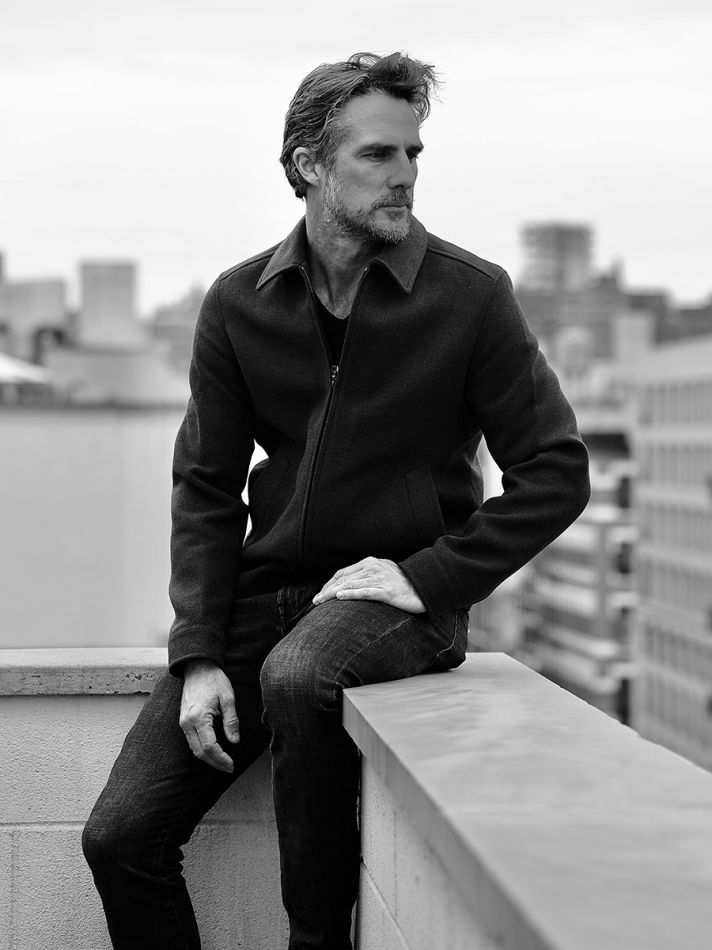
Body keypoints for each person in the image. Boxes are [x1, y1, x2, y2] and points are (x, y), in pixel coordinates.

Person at [82, 51, 590, 950]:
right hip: (263, 599)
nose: (405, 175)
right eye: (378, 154)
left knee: (300, 674)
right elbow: (205, 486)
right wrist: (198, 652)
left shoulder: (470, 297)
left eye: (413, 153)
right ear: (309, 164)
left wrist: (428, 577)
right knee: (120, 838)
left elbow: (556, 469)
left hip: (397, 600)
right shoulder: (240, 302)